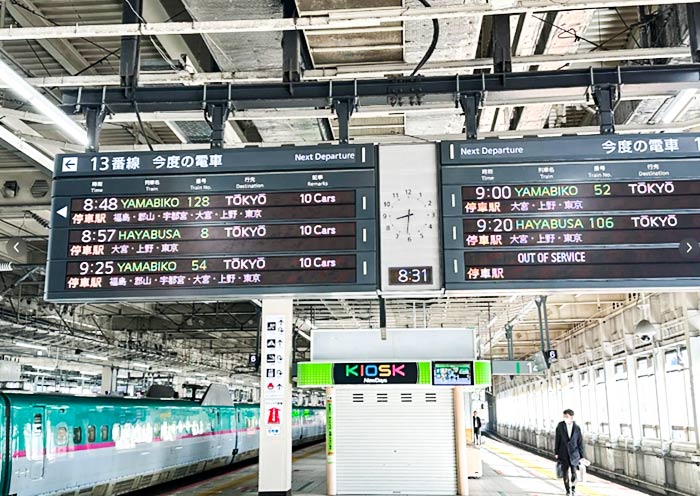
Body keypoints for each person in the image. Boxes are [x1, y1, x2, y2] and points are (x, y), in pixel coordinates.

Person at [555, 409, 585, 496]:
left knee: (574, 472)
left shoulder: (577, 428)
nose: (565, 418)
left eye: (567, 416)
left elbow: (580, 443)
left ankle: (573, 488)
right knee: (565, 472)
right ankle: (568, 490)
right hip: (563, 453)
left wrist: (582, 456)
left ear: (571, 417)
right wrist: (556, 452)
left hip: (574, 454)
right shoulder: (560, 426)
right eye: (564, 416)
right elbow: (557, 439)